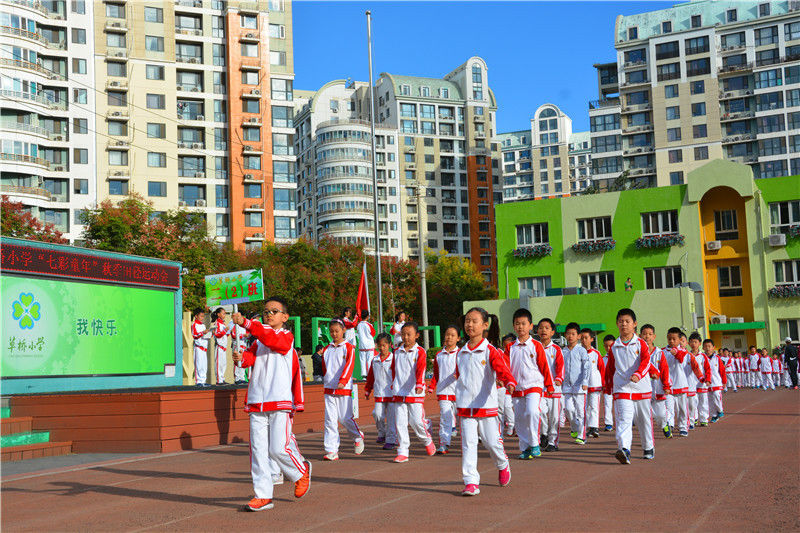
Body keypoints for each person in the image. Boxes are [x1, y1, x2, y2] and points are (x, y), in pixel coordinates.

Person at [230, 297, 311, 512]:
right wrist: (241, 357)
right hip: (257, 399)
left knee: (278, 448)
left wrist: (247, 323)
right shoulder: (258, 341)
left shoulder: (286, 337)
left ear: (285, 317)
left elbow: (272, 340)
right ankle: (263, 495)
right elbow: (251, 358)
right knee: (258, 451)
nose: (269, 314)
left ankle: (299, 472)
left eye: (274, 311)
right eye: (266, 311)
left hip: (279, 399)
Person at [456, 307, 516, 496]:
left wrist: (509, 381)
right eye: (467, 321)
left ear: (485, 325)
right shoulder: (461, 352)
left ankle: (502, 462)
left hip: (486, 406)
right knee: (468, 444)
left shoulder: (489, 350)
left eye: (474, 321)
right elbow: (459, 376)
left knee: (492, 442)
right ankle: (471, 481)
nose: (470, 325)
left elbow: (502, 369)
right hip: (466, 406)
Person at [604, 308, 654, 464]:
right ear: (617, 324)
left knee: (644, 421)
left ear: (634, 324)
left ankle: (648, 447)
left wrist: (638, 374)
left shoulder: (641, 344)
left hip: (642, 388)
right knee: (624, 420)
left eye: (627, 321)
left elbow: (646, 362)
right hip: (622, 389)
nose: (623, 324)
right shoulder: (614, 347)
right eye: (620, 322)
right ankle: (625, 449)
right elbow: (610, 368)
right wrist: (608, 387)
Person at [506, 308, 553, 459]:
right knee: (519, 419)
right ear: (513, 326)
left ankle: (535, 443)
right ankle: (525, 448)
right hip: (517, 388)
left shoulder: (536, 345)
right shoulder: (509, 347)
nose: (520, 327)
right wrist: (507, 382)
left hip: (534, 386)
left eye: (524, 324)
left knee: (533, 412)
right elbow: (505, 367)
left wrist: (550, 385)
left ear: (531, 326)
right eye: (517, 324)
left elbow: (544, 366)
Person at [321, 319, 365, 461]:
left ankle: (357, 436)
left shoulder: (348, 347)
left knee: (345, 418)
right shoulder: (327, 349)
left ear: (343, 330)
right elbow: (324, 367)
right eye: (331, 331)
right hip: (329, 388)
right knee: (330, 420)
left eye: (337, 331)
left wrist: (343, 381)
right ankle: (331, 450)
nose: (334, 334)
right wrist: (327, 380)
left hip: (343, 388)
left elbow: (349, 365)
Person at [391, 321, 435, 463]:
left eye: (409, 334)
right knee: (400, 422)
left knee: (416, 421)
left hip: (414, 391)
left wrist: (420, 384)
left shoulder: (419, 351)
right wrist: (393, 384)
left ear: (416, 335)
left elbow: (421, 369)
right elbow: (393, 370)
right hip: (399, 392)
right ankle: (403, 451)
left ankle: (427, 439)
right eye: (403, 334)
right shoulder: (396, 352)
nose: (405, 337)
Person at [429, 326, 460, 454]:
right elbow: (436, 373)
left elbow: (466, 371)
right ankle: (444, 443)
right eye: (447, 335)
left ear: (458, 338)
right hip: (443, 392)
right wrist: (432, 386)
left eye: (453, 335)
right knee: (445, 418)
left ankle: (471, 442)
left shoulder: (461, 354)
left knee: (464, 419)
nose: (449, 337)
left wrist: (458, 374)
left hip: (459, 393)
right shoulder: (439, 355)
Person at [364, 333, 397, 449]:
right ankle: (381, 433)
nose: (382, 348)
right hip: (379, 393)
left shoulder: (394, 359)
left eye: (384, 345)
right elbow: (371, 377)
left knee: (392, 418)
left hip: (392, 394)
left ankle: (391, 440)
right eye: (380, 346)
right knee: (377, 414)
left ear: (389, 345)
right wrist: (368, 390)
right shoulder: (375, 360)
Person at [561, 322, 590, 445]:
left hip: (579, 386)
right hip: (566, 386)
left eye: (573, 334)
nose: (570, 336)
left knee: (580, 411)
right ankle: (574, 427)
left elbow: (586, 367)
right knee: (568, 409)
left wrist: (585, 381)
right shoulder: (563, 351)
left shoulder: (582, 350)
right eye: (568, 334)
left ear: (578, 336)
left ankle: (582, 435)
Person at [538, 318, 564, 452]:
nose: (543, 330)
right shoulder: (534, 348)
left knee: (555, 417)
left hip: (554, 388)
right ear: (537, 331)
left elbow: (560, 366)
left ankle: (553, 441)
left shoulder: (556, 349)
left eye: (547, 328)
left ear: (552, 332)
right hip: (540, 387)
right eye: (541, 328)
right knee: (540, 411)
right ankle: (543, 434)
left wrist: (559, 378)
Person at [642, 324, 671, 439]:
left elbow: (664, 370)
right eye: (644, 334)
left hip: (657, 388)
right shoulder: (638, 352)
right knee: (645, 416)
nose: (647, 337)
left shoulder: (659, 353)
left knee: (660, 415)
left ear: (654, 336)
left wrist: (666, 385)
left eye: (649, 334)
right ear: (640, 336)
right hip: (643, 389)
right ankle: (648, 440)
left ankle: (664, 424)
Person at [663, 327, 690, 437]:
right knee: (668, 408)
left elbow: (681, 359)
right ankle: (670, 424)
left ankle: (683, 427)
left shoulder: (683, 351)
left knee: (682, 409)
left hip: (680, 384)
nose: (671, 341)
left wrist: (676, 353)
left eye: (674, 339)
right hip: (668, 386)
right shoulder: (663, 351)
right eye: (669, 339)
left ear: (679, 340)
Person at [581, 328, 604, 439]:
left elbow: (601, 368)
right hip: (582, 385)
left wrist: (603, 383)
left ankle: (594, 428)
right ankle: (584, 427)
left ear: (591, 339)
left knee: (594, 406)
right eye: (582, 338)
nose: (584, 340)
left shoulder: (596, 353)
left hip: (594, 383)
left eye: (586, 338)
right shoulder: (578, 352)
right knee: (583, 407)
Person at [497, 333, 516, 437]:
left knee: (515, 408)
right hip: (505, 386)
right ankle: (510, 425)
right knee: (505, 406)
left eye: (509, 345)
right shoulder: (500, 354)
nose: (507, 347)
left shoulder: (517, 353)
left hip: (517, 386)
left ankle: (515, 425)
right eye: (505, 345)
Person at [704, 340, 726, 422]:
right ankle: (714, 415)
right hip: (706, 383)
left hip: (716, 382)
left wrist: (724, 382)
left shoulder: (717, 358)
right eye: (706, 346)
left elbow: (722, 371)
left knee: (716, 396)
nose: (707, 348)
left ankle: (720, 410)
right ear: (703, 347)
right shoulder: (702, 358)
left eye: (709, 346)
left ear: (713, 347)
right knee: (710, 400)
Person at [693, 336, 712, 427]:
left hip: (702, 383)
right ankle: (694, 418)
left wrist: (708, 379)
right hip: (692, 384)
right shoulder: (688, 355)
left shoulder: (703, 356)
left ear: (699, 344)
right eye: (692, 342)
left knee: (703, 402)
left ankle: (704, 419)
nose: (693, 344)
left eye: (695, 342)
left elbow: (708, 369)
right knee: (693, 402)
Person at [191, 308, 212, 387]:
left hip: (204, 348)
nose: (202, 318)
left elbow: (204, 335)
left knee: (204, 365)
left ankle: (203, 380)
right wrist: (203, 332)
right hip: (198, 347)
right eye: (201, 316)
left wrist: (210, 333)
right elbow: (195, 335)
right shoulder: (194, 325)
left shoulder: (203, 325)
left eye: (203, 316)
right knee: (199, 365)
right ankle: (199, 381)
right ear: (196, 316)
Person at [211, 307, 232, 385]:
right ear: (218, 314)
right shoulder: (217, 324)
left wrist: (229, 330)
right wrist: (225, 330)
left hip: (223, 347)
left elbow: (225, 335)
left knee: (223, 364)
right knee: (219, 364)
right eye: (223, 313)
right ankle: (219, 380)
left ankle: (222, 378)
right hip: (219, 347)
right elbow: (217, 334)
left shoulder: (223, 324)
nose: (224, 315)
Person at [356, 310, 376, 380]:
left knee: (362, 360)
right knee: (369, 360)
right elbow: (373, 333)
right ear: (367, 316)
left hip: (362, 344)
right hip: (369, 345)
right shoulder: (369, 325)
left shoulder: (358, 325)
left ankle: (364, 375)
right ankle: (369, 375)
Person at [601, 334, 615, 431]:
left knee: (620, 406)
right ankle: (608, 423)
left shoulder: (619, 357)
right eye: (606, 346)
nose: (608, 348)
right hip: (607, 386)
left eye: (610, 345)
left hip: (619, 386)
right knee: (607, 404)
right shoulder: (603, 359)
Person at [231, 319, 249, 384]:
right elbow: (233, 335)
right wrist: (243, 335)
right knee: (237, 361)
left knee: (243, 362)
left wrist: (247, 336)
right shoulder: (235, 326)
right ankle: (237, 378)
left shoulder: (244, 327)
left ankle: (242, 377)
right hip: (238, 346)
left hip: (244, 346)